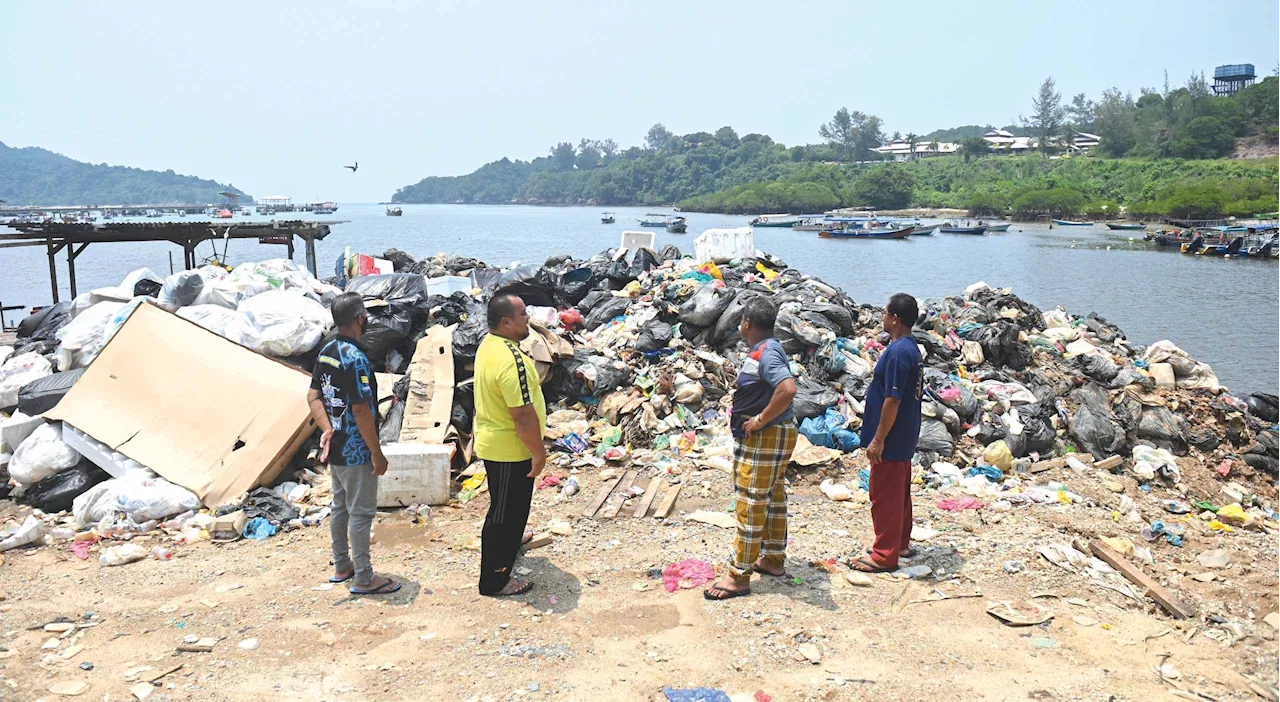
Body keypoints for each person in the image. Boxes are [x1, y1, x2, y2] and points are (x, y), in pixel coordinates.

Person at [307, 292, 400, 595]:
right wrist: (377, 452)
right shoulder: (355, 358)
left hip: (336, 447)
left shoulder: (326, 352)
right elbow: (361, 410)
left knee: (340, 507)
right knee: (360, 513)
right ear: (361, 318)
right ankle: (364, 577)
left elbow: (313, 396)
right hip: (357, 449)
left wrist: (328, 429)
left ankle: (342, 564)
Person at [705, 298, 798, 601]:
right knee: (773, 498)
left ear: (747, 323)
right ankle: (772, 559)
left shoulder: (768, 352)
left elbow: (787, 388)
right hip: (774, 435)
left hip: (766, 436)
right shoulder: (769, 348)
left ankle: (739, 577)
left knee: (752, 501)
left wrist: (759, 419)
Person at [473, 293, 547, 597]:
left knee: (510, 508)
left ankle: (512, 544)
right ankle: (495, 578)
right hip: (509, 450)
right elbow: (522, 415)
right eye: (523, 314)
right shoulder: (510, 358)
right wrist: (538, 452)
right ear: (506, 322)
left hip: (497, 443)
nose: (528, 318)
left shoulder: (489, 345)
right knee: (504, 514)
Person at [850, 293, 924, 573]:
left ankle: (885, 554)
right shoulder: (910, 348)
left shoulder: (897, 353)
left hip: (892, 435)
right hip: (904, 432)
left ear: (895, 318)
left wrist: (878, 438)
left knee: (885, 494)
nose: (882, 318)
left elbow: (892, 399)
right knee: (899, 491)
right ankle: (900, 543)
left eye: (885, 313)